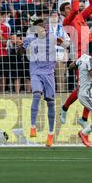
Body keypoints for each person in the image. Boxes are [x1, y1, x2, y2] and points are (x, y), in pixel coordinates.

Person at [59, 0, 92, 127]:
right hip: (80, 52)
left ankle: (83, 118)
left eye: (70, 6)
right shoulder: (66, 21)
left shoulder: (81, 16)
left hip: (91, 48)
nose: (71, 8)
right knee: (83, 86)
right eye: (67, 8)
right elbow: (75, 8)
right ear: (63, 13)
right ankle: (65, 108)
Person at [21, 19, 58, 147]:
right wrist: (21, 46)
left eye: (44, 27)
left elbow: (64, 44)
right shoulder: (30, 41)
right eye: (39, 27)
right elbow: (19, 52)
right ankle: (32, 126)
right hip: (35, 72)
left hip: (49, 74)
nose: (42, 29)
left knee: (51, 103)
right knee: (36, 94)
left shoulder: (52, 39)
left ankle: (50, 134)